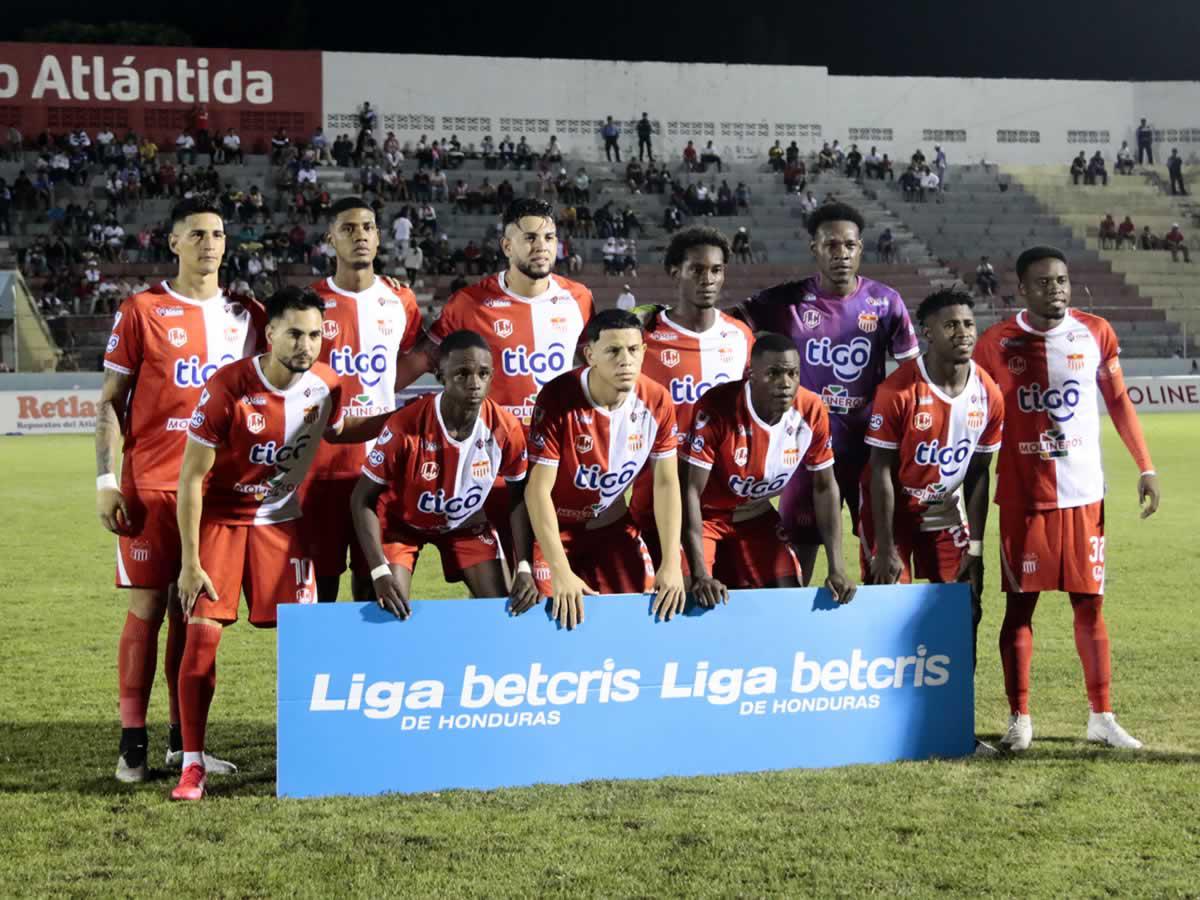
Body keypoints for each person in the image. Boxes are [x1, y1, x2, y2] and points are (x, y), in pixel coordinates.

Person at [170, 286, 383, 800]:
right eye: (294, 333)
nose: (306, 345)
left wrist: (398, 418)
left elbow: (336, 432)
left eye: (314, 335)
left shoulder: (328, 383)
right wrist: (190, 562)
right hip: (221, 522)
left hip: (283, 525)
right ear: (269, 334)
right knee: (202, 641)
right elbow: (191, 478)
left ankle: (313, 748)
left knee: (307, 640)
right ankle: (192, 764)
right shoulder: (228, 387)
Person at [97, 198, 262, 783]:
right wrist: (104, 479)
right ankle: (131, 745)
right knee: (147, 606)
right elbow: (110, 404)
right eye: (196, 234)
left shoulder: (249, 317)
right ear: (173, 243)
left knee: (193, 613)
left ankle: (181, 744)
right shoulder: (142, 310)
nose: (210, 243)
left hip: (218, 493)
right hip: (151, 487)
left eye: (217, 234)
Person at [974, 246, 1161, 752]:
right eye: (1043, 282)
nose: (1055, 289)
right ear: (1022, 289)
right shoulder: (996, 342)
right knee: (1019, 610)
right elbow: (974, 410)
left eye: (1061, 280)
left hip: (1084, 494)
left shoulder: (1095, 332)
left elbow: (1119, 401)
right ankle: (1020, 719)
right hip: (1023, 496)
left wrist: (1145, 466)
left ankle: (1101, 716)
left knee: (1090, 607)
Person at [736, 202, 919, 582]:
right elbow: (726, 323)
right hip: (805, 450)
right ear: (814, 249)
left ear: (861, 248)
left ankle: (877, 640)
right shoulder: (783, 302)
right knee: (796, 565)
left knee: (885, 558)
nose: (841, 254)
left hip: (871, 454)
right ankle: (796, 639)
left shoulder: (886, 302)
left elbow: (911, 374)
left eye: (849, 245)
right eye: (831, 245)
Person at [509, 309, 684, 629]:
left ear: (644, 351)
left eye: (633, 350)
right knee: (550, 621)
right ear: (590, 355)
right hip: (556, 530)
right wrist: (560, 570)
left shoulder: (658, 400)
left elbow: (667, 484)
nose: (625, 360)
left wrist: (672, 562)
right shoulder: (559, 396)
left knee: (642, 618)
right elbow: (537, 490)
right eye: (613, 351)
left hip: (613, 528)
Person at [351, 330, 528, 620]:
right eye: (462, 374)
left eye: (483, 373)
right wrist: (379, 569)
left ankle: (477, 665)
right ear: (440, 375)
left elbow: (520, 497)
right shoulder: (405, 425)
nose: (474, 383)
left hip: (465, 523)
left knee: (503, 611)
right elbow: (362, 498)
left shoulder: (505, 427)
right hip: (402, 524)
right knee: (388, 612)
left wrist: (524, 566)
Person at [862, 291, 1003, 650]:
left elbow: (978, 474)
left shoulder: (988, 393)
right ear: (928, 333)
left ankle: (956, 700)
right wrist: (884, 547)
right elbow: (879, 472)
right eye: (951, 325)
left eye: (969, 324)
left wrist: (976, 547)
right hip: (894, 510)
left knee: (965, 604)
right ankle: (888, 695)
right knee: (889, 606)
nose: (963, 333)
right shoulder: (897, 390)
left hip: (945, 510)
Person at [304, 198, 424, 602]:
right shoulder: (310, 304)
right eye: (349, 228)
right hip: (319, 468)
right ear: (330, 239)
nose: (360, 236)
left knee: (374, 587)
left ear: (377, 237)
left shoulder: (401, 301)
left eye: (368, 228)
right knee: (320, 589)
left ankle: (362, 668)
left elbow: (403, 363)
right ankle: (320, 665)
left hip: (381, 466)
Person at [682, 333, 854, 604]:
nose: (784, 383)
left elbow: (824, 486)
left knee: (787, 595)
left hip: (757, 515)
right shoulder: (717, 406)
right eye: (773, 373)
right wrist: (701, 573)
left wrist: (837, 567)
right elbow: (689, 490)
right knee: (692, 591)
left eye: (792, 374)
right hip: (707, 517)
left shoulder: (811, 410)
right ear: (751, 373)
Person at [630, 226, 755, 566]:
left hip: (723, 500)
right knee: (667, 602)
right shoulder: (644, 337)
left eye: (716, 270)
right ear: (675, 271)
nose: (708, 279)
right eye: (696, 270)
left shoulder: (740, 337)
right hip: (656, 493)